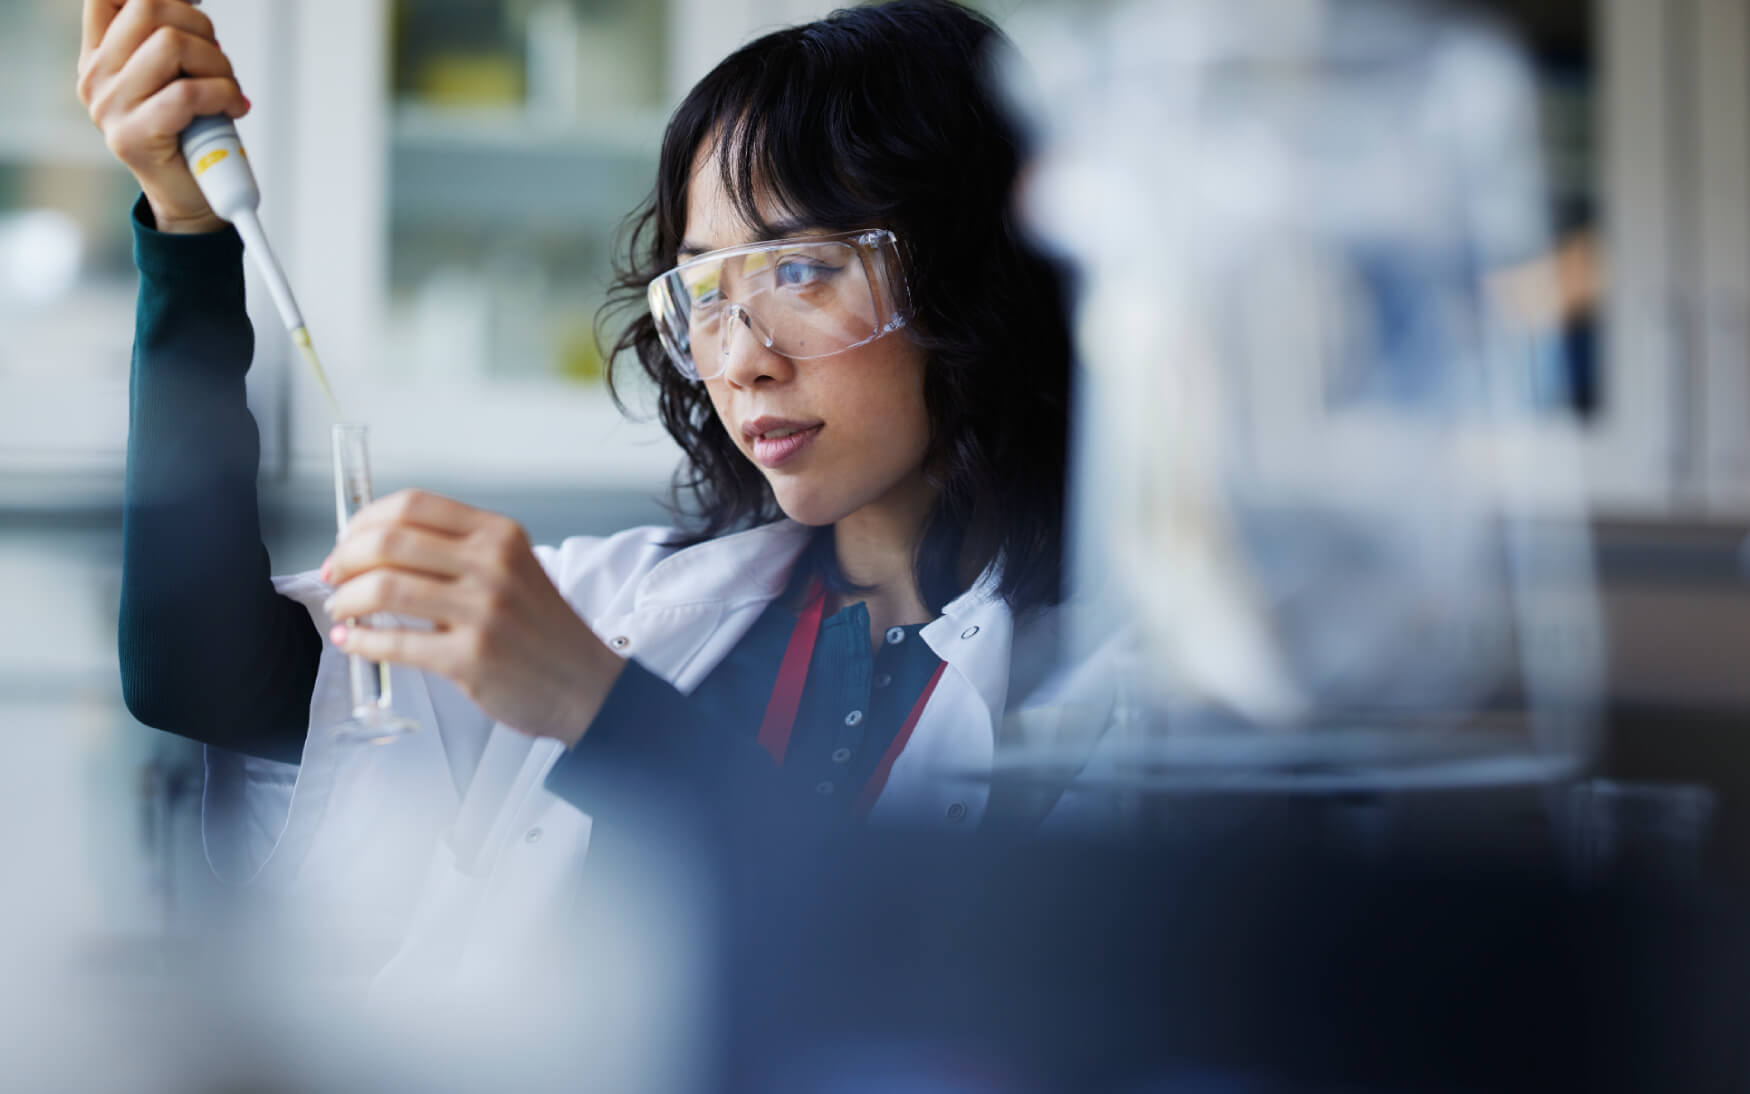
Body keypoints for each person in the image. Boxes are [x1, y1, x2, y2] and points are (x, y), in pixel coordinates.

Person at [82, 0, 1120, 981]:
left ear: (976, 273)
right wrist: (186, 231)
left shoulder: (1117, 696)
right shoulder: (615, 605)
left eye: (801, 269)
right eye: (706, 286)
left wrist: (600, 708)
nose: (742, 357)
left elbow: (916, 975)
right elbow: (194, 668)